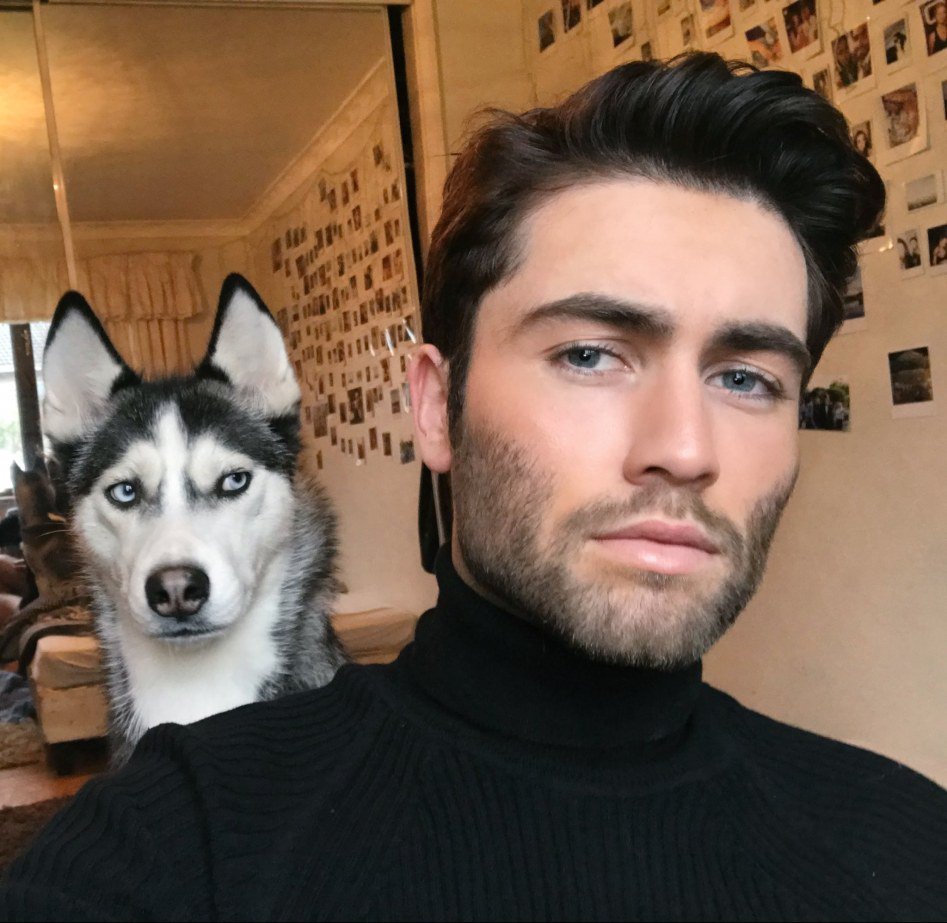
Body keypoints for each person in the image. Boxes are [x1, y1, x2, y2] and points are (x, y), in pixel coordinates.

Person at [2, 53, 945, 921]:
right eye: (589, 354)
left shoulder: (912, 845)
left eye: (745, 377)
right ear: (434, 407)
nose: (683, 448)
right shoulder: (168, 843)